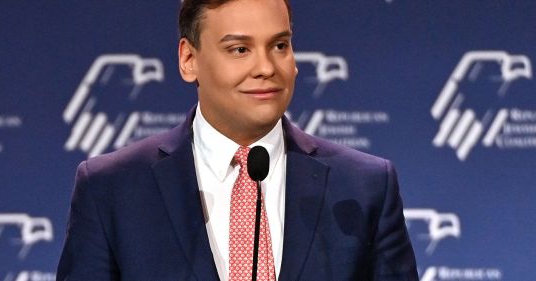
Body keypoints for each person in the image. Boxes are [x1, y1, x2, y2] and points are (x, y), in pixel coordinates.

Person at [56, 0, 419, 280]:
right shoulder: (111, 189)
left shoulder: (365, 186)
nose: (265, 67)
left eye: (279, 45)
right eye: (240, 49)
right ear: (188, 59)